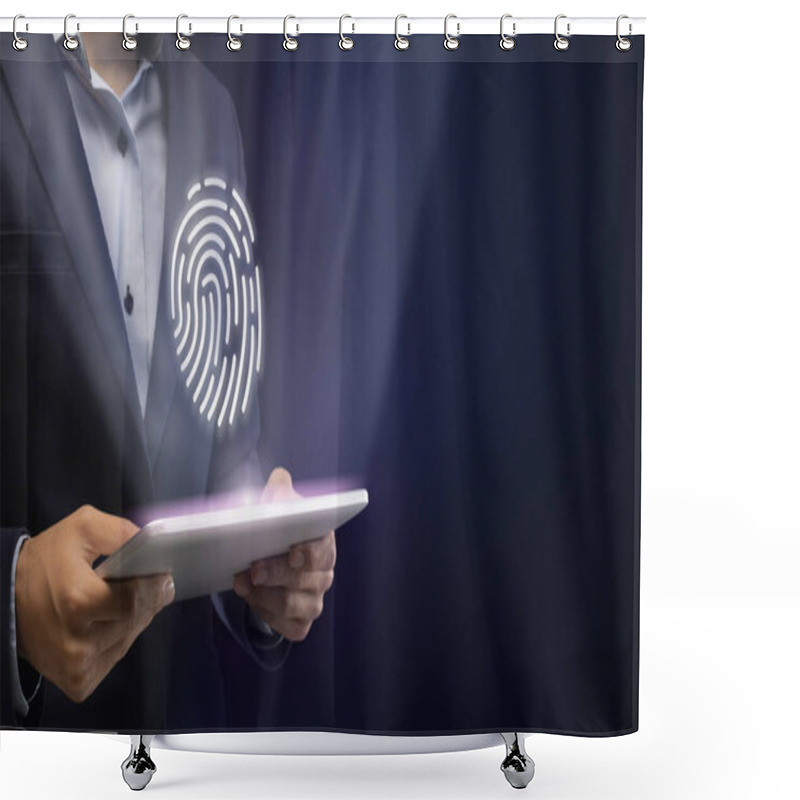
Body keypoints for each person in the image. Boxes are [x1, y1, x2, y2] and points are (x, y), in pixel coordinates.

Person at [0, 31, 335, 730]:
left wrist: (267, 560)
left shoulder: (213, 111)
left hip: (183, 728)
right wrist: (10, 595)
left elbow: (224, 437)